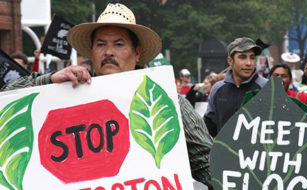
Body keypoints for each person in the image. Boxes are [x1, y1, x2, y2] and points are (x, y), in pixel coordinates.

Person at [2, 3, 213, 189]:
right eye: (101, 44)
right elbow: (7, 100)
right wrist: (48, 80)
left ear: (137, 52)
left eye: (119, 44)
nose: (109, 52)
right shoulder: (66, 91)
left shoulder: (165, 101)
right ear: (92, 51)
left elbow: (209, 165)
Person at [204, 37, 268, 137]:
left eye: (252, 57)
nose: (248, 63)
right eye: (242, 57)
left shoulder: (267, 87)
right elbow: (209, 126)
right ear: (230, 61)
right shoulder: (217, 89)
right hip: (224, 152)